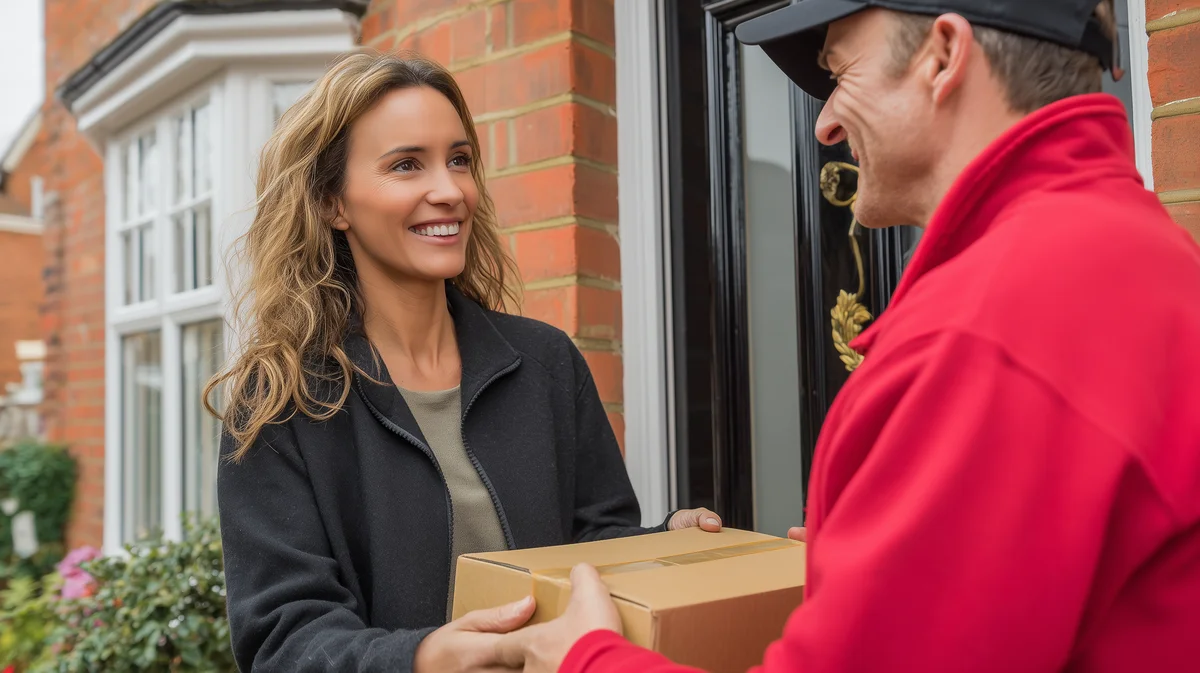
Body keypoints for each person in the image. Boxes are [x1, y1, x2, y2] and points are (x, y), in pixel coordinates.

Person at [492, 0, 1200, 671]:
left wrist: (588, 656)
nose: (824, 123)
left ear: (943, 54)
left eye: (839, 73)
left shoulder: (991, 331)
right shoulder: (1134, 253)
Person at [208, 51, 721, 673]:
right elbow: (283, 642)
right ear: (331, 204)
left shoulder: (546, 362)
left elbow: (593, 553)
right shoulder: (283, 401)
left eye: (459, 160)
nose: (450, 191)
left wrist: (668, 544)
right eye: (406, 165)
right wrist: (423, 657)